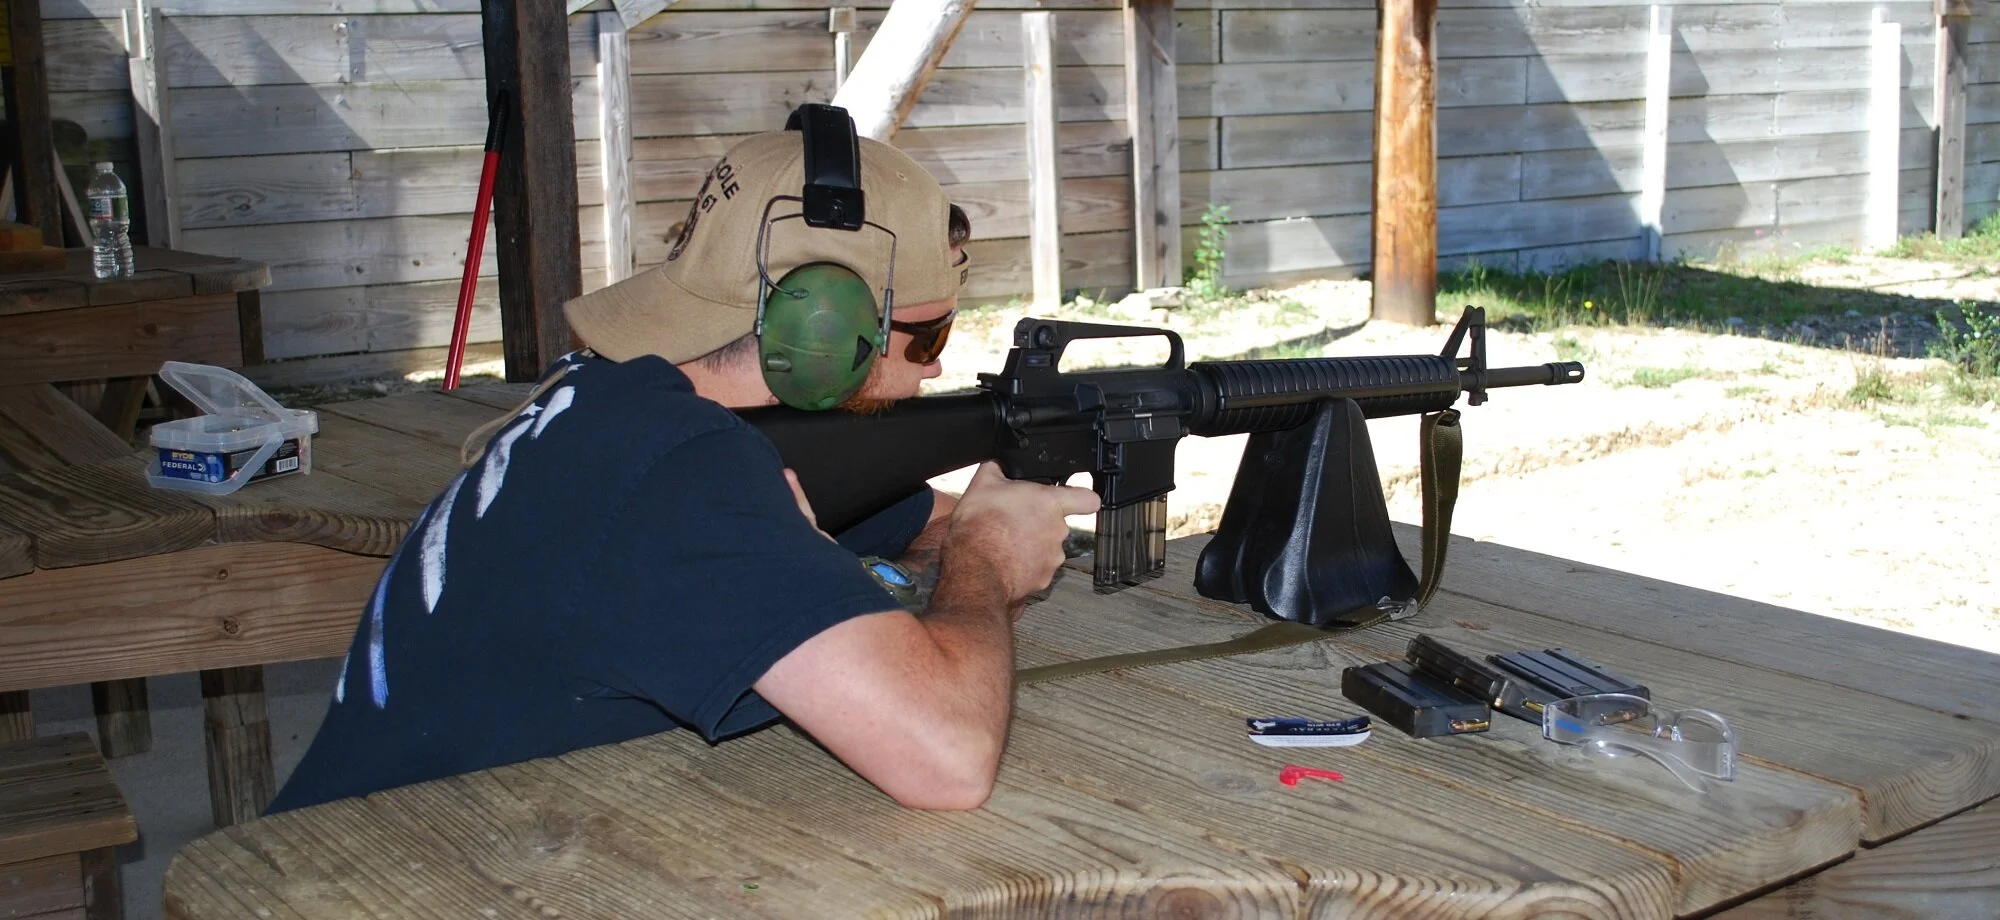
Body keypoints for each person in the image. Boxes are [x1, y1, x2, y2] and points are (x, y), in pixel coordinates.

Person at [265, 111, 1099, 815]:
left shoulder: (611, 398)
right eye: (928, 337)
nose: (936, 372)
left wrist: (976, 523)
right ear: (822, 324)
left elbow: (910, 522)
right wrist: (990, 563)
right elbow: (946, 759)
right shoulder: (684, 473)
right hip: (388, 875)